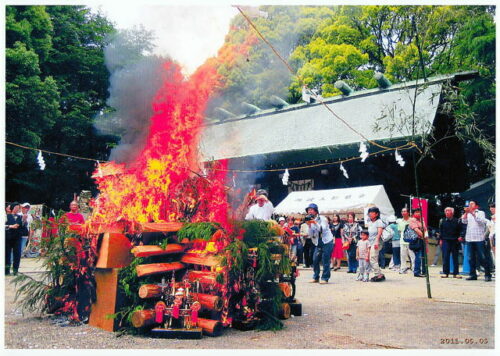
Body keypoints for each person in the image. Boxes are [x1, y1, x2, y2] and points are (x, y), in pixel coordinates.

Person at [461, 200, 492, 281]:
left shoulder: (480, 212)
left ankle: (488, 274)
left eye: (472, 204)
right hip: (470, 238)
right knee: (471, 258)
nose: (470, 205)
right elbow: (463, 221)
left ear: (477, 206)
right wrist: (466, 213)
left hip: (479, 238)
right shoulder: (468, 214)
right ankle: (473, 275)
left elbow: (480, 220)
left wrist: (472, 212)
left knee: (482, 257)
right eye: (469, 204)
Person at [306, 203, 334, 284]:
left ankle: (325, 278)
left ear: (316, 211)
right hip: (318, 242)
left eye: (311, 210)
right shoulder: (310, 220)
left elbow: (322, 229)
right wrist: (309, 226)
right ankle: (316, 277)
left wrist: (314, 222)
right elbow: (311, 234)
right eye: (308, 210)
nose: (309, 211)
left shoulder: (323, 218)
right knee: (315, 259)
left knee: (325, 260)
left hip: (327, 241)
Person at [439, 207, 462, 278]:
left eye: (448, 211)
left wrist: (461, 236)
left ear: (452, 212)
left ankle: (456, 273)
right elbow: (440, 231)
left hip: (455, 241)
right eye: (445, 211)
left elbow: (460, 230)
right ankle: (445, 273)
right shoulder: (442, 221)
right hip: (445, 241)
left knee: (455, 257)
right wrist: (440, 240)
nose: (447, 212)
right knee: (445, 257)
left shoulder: (457, 221)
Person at [367, 207, 385, 282]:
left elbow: (379, 233)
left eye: (372, 212)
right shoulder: (370, 222)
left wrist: (377, 241)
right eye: (369, 212)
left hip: (376, 241)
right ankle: (379, 274)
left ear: (377, 214)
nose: (370, 214)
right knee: (373, 258)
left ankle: (378, 274)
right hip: (370, 242)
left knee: (372, 258)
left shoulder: (379, 221)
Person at [409, 208, 427, 277]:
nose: (418, 213)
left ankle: (424, 271)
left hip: (422, 239)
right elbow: (416, 230)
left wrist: (425, 237)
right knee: (418, 256)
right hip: (416, 240)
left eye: (419, 212)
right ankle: (417, 272)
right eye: (416, 212)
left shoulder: (422, 220)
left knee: (423, 256)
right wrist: (423, 236)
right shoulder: (412, 220)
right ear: (413, 214)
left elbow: (425, 229)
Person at [5, 202, 22, 275]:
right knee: (7, 255)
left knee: (17, 254)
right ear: (12, 208)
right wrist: (11, 226)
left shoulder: (20, 216)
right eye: (15, 208)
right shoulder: (7, 216)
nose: (17, 209)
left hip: (17, 238)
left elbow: (21, 225)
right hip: (8, 238)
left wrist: (23, 221)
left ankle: (15, 271)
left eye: (18, 208)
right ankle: (6, 271)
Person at [398, 208, 415, 274]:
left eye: (405, 211)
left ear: (408, 213)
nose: (403, 212)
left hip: (411, 241)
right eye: (402, 211)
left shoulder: (412, 220)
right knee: (402, 256)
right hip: (402, 241)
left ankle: (414, 269)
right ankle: (403, 268)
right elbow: (399, 231)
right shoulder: (400, 221)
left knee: (412, 256)